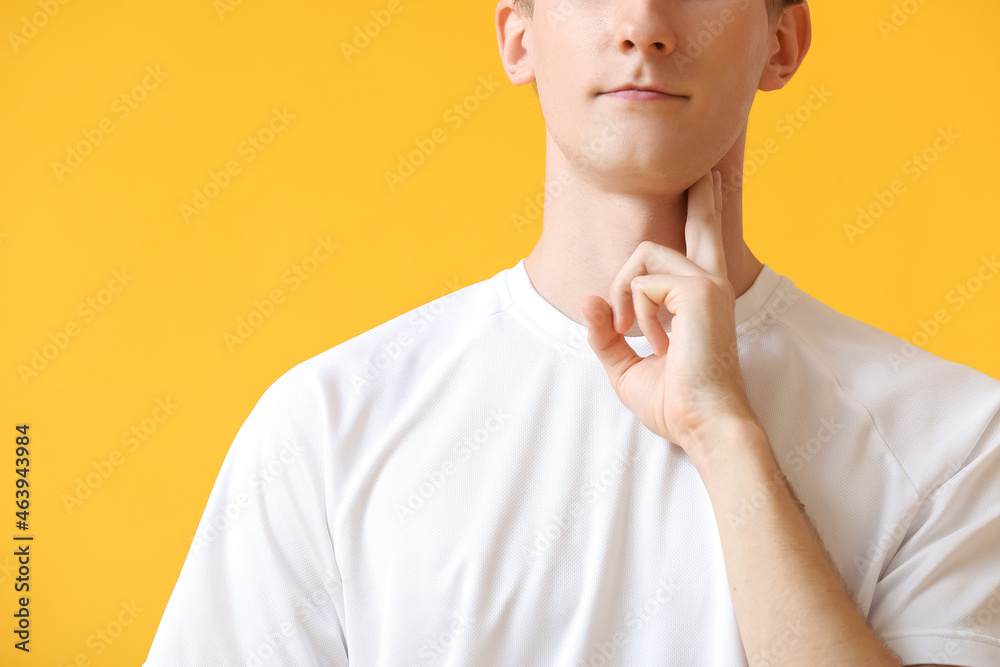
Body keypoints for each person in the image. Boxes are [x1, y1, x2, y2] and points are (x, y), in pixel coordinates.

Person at [143, 0, 1000, 665]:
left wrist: (723, 432)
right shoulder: (326, 425)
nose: (642, 26)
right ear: (516, 38)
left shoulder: (958, 436)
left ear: (782, 42)